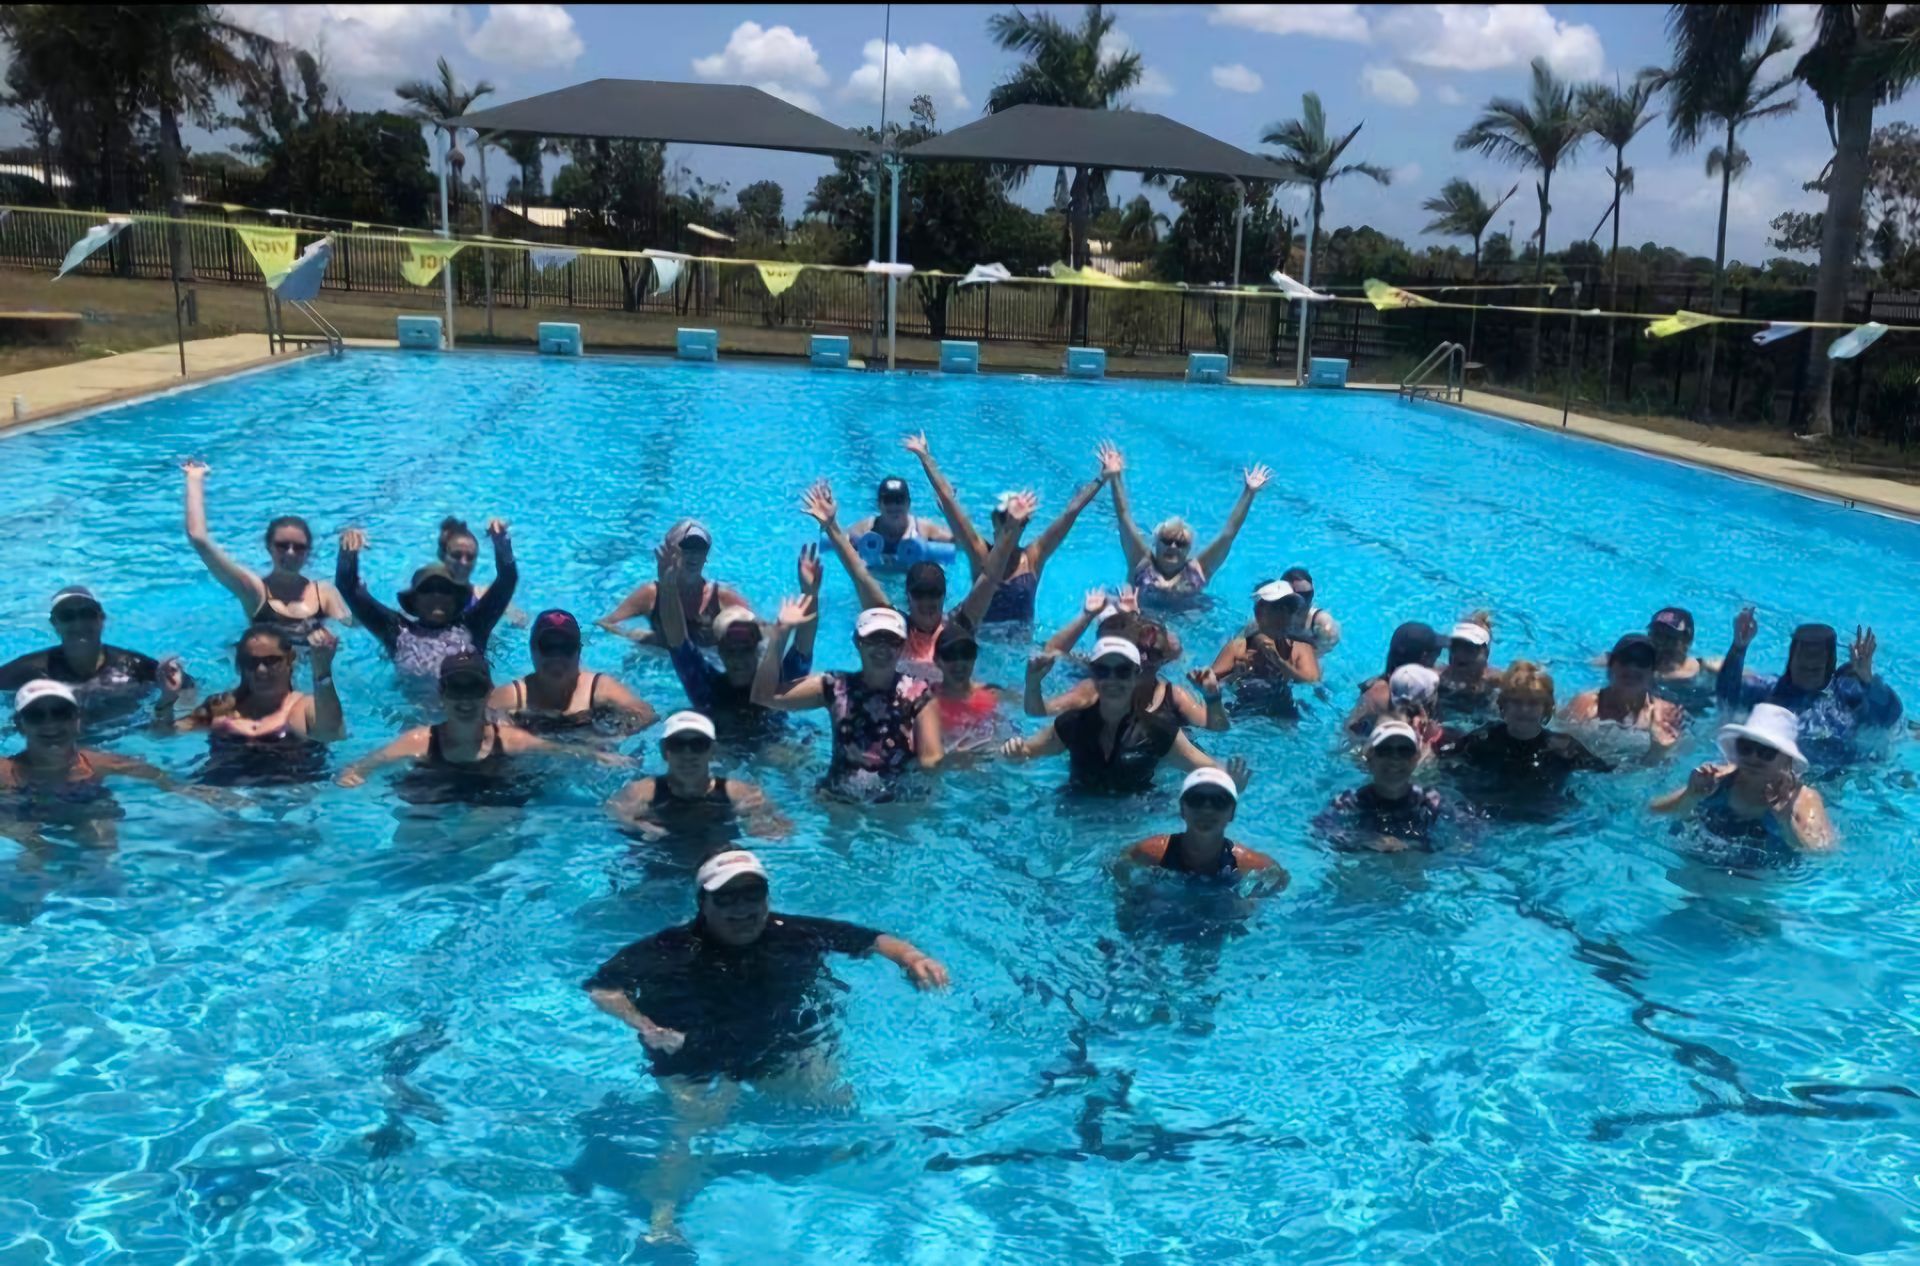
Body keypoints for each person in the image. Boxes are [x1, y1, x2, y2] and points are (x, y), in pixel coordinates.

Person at [582, 850, 948, 1242]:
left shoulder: (792, 931)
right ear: (703, 903)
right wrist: (645, 1025)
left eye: (751, 895)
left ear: (767, 898)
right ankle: (662, 1225)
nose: (742, 908)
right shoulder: (670, 947)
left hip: (770, 1044)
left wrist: (912, 958)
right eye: (726, 898)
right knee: (695, 1129)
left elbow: (870, 939)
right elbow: (602, 988)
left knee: (833, 1099)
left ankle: (838, 1162)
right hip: (691, 1050)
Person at [804, 479, 1028, 676]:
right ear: (908, 596)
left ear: (944, 596)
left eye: (934, 594)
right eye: (919, 594)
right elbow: (859, 574)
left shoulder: (960, 624)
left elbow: (989, 577)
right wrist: (831, 525)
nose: (927, 601)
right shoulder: (894, 628)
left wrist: (1011, 531)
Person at [336, 652, 621, 801]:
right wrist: (351, 778)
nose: (465, 699)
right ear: (442, 693)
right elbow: (361, 767)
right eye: (456, 689)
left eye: (474, 688)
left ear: (488, 693)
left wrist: (599, 755)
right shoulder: (419, 742)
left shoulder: (509, 740)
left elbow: (559, 750)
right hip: (432, 789)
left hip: (489, 791)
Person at [900, 431, 1107, 623]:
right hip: (980, 644)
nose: (1013, 524)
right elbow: (947, 500)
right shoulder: (980, 552)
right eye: (1007, 519)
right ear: (994, 522)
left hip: (1018, 648)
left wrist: (1102, 478)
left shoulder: (1033, 558)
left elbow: (1070, 513)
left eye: (1018, 522)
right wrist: (925, 457)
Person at [753, 599, 943, 801]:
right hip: (838, 803)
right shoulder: (835, 686)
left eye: (891, 641)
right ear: (857, 643)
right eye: (873, 640)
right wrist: (781, 633)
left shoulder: (920, 694)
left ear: (902, 646)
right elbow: (764, 696)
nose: (882, 648)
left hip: (891, 809)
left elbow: (931, 759)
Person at [1001, 637, 1229, 795]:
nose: (1112, 679)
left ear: (1135, 675)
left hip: (1137, 818)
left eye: (1121, 671)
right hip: (1079, 812)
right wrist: (1014, 750)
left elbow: (1207, 769)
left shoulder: (1158, 731)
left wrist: (1231, 781)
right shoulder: (1071, 724)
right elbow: (1027, 752)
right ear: (1093, 675)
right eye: (1103, 671)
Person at [0, 680, 200, 845]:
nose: (50, 723)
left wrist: (191, 791)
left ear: (77, 720)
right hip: (23, 818)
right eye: (36, 716)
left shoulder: (98, 762)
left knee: (102, 838)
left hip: (83, 812)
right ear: (20, 725)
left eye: (61, 713)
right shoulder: (6, 771)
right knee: (31, 854)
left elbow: (160, 778)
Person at [661, 544, 821, 742]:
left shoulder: (778, 679)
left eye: (745, 650)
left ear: (758, 648)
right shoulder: (706, 685)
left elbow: (803, 643)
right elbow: (678, 640)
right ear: (719, 652)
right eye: (731, 651)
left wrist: (810, 593)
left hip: (771, 751)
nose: (739, 659)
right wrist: (668, 586)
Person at [182, 460, 350, 643]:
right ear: (268, 547)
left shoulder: (324, 594)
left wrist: (351, 562)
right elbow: (198, 539)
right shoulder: (256, 593)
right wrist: (195, 477)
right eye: (282, 546)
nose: (291, 553)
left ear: (309, 551)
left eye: (299, 547)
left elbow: (355, 624)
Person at [157, 625, 345, 785]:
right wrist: (167, 698)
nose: (261, 670)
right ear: (240, 665)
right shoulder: (220, 707)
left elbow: (331, 731)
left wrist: (322, 670)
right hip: (219, 797)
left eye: (271, 661)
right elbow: (161, 735)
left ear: (290, 659)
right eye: (251, 662)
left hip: (289, 798)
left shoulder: (304, 708)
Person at [334, 522, 518, 680]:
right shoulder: (396, 631)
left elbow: (507, 580)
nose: (437, 596)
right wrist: (347, 553)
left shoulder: (474, 626)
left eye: (445, 590)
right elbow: (347, 587)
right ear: (413, 600)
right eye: (428, 589)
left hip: (469, 715)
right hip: (415, 718)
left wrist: (502, 543)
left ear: (457, 600)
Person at [1098, 440, 1270, 607]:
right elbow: (1124, 517)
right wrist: (1115, 478)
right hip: (1140, 618)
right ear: (1155, 542)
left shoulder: (1199, 568)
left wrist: (1249, 492)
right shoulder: (1140, 561)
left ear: (1188, 549)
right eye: (1166, 540)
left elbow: (1228, 534)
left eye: (1180, 543)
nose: (1173, 546)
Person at [1716, 610, 1901, 763]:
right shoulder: (1771, 689)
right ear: (1791, 660)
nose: (1807, 672)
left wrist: (1868, 680)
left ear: (1829, 666)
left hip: (1838, 779)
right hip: (1775, 770)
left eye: (1815, 668)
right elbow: (1727, 697)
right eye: (1802, 666)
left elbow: (1888, 716)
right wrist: (1738, 649)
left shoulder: (1845, 695)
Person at [1651, 703, 1835, 854]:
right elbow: (1654, 809)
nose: (1753, 757)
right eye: (1746, 747)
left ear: (1786, 759)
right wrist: (1691, 796)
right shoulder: (1718, 779)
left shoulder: (1801, 799)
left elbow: (1823, 851)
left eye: (1766, 751)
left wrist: (1786, 822)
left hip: (1764, 880)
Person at [1437, 661, 1612, 819]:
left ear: (1546, 709)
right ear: (1503, 705)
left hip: (1546, 819)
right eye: (1517, 702)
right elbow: (1445, 761)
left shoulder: (1563, 748)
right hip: (1487, 815)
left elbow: (1606, 773)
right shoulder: (1484, 739)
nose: (1524, 709)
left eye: (1533, 703)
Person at [607, 712, 790, 861]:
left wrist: (757, 822)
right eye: (678, 745)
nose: (688, 754)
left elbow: (782, 829)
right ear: (665, 750)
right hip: (662, 859)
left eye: (698, 745)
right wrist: (639, 826)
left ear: (712, 751)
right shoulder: (641, 793)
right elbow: (611, 815)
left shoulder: (738, 793)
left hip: (719, 859)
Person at [0, 586, 191, 719]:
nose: (79, 624)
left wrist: (170, 699)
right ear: (54, 624)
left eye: (87, 614)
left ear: (101, 618)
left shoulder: (134, 666)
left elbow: (188, 691)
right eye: (68, 616)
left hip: (126, 739)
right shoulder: (29, 670)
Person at [1028, 609, 1225, 730]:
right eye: (1140, 651)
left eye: (1154, 653)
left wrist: (1212, 697)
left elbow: (1217, 728)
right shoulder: (1096, 689)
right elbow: (1037, 712)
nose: (1146, 658)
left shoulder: (1173, 695)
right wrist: (1033, 684)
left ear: (1164, 660)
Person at [489, 610, 656, 736]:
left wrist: (613, 736)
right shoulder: (514, 696)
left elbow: (647, 715)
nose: (557, 657)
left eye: (566, 648)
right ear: (532, 650)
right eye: (548, 647)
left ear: (578, 652)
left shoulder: (598, 688)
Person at [598, 519, 754, 649]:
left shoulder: (721, 598)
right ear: (670, 551)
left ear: (706, 555)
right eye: (686, 548)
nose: (693, 555)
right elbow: (605, 623)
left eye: (700, 549)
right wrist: (635, 636)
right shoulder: (651, 594)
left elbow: (758, 632)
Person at [1314, 720, 1456, 853]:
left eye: (1404, 751)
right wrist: (1367, 840)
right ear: (1370, 758)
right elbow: (1318, 833)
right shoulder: (1348, 802)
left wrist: (1408, 847)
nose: (1395, 758)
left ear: (1415, 759)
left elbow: (1464, 841)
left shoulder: (1432, 802)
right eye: (1385, 750)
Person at [1120, 767, 1282, 881]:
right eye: (1196, 799)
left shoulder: (1248, 863)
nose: (1207, 809)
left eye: (1219, 801)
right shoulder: (1151, 852)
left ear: (1232, 813)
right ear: (1182, 809)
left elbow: (1280, 880)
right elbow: (1118, 869)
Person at [1209, 582, 1322, 717]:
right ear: (1259, 613)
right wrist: (1235, 675)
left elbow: (1312, 681)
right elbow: (1207, 683)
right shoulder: (1238, 648)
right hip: (1243, 711)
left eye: (1291, 608)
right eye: (1279, 608)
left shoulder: (1300, 649)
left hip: (1283, 712)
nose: (1285, 614)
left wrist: (1280, 662)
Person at [1563, 634, 1685, 759]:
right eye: (1625, 659)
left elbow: (1670, 765)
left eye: (1642, 661)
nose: (1632, 668)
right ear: (1611, 665)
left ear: (1652, 672)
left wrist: (1659, 750)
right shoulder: (1587, 705)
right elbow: (1562, 749)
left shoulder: (1665, 714)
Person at [1345, 622, 1442, 737]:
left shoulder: (1434, 677)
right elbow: (1351, 731)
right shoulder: (1378, 696)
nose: (1437, 660)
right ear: (1425, 658)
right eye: (1437, 653)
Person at [844, 475, 956, 566]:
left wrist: (950, 509)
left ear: (908, 503)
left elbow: (962, 543)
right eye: (888, 500)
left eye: (899, 500)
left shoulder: (923, 529)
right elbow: (838, 541)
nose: (894, 506)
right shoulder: (864, 529)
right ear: (879, 504)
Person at [929, 624, 1005, 747]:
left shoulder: (992, 694)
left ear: (974, 658)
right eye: (950, 655)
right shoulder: (927, 701)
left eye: (966, 654)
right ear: (936, 660)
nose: (959, 663)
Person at [1437, 614, 1501, 719]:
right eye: (1455, 646)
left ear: (1486, 653)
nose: (1459, 654)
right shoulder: (1436, 679)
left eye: (1469, 648)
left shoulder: (1495, 682)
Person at [1280, 567, 1342, 656]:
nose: (1304, 602)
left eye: (1307, 595)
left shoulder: (1322, 623)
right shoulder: (1273, 613)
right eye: (1297, 597)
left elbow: (1323, 653)